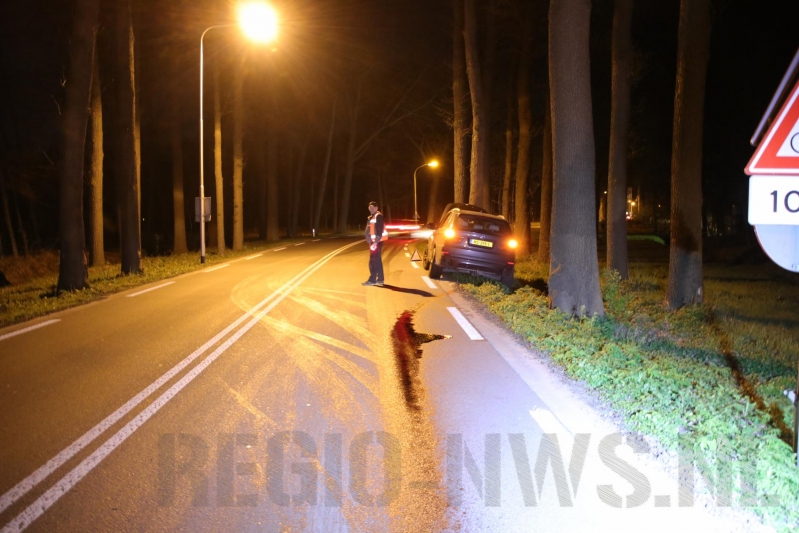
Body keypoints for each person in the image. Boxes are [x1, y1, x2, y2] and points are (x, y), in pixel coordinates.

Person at [362, 201, 387, 286]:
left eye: (372, 207)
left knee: (373, 261)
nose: (371, 209)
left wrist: (375, 242)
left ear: (376, 208)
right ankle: (380, 279)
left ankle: (372, 280)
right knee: (377, 260)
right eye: (369, 207)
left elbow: (380, 231)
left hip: (377, 242)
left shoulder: (378, 216)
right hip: (374, 241)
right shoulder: (372, 217)